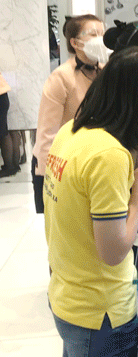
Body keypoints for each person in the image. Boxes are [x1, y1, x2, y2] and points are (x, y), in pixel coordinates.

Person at [45, 47, 138, 357]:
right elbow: (114, 250)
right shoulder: (109, 154)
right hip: (102, 312)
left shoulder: (71, 131)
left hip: (68, 295)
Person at [33, 14, 105, 212]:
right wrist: (51, 178)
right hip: (62, 161)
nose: (100, 39)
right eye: (93, 34)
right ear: (75, 42)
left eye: (102, 33)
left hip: (94, 159)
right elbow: (47, 134)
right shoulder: (61, 77)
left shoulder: (105, 72)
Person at [0, 71, 19, 178]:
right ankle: (13, 165)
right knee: (6, 131)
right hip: (3, 97)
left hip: (0, 98)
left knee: (3, 134)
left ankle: (9, 167)